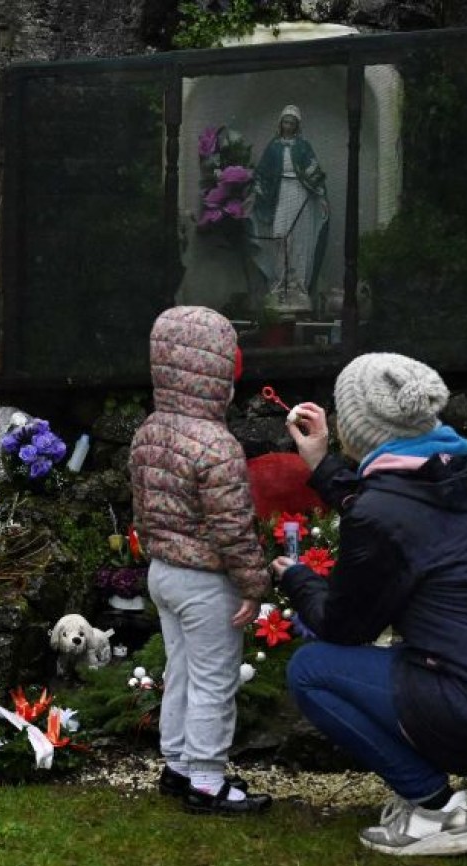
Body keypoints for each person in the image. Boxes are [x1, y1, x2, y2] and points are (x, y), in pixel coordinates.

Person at [270, 353, 467, 856]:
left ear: (358, 426)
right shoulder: (456, 470)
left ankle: (433, 810)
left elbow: (342, 625)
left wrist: (299, 578)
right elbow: (390, 509)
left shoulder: (381, 513)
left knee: (311, 669)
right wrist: (322, 464)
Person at [128, 305, 273, 815]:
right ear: (217, 373)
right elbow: (233, 530)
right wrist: (255, 584)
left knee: (182, 671)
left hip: (162, 572)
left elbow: (142, 510)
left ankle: (178, 765)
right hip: (207, 581)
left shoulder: (150, 430)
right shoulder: (217, 446)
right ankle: (207, 781)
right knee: (215, 679)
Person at [251, 104, 330, 313]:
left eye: (292, 123)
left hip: (299, 191)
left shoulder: (303, 146)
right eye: (285, 122)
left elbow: (314, 172)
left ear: (297, 126)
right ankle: (279, 281)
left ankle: (297, 284)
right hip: (280, 192)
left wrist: (321, 196)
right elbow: (262, 174)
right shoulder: (274, 147)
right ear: (280, 124)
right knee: (280, 234)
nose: (288, 126)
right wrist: (255, 194)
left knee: (299, 238)